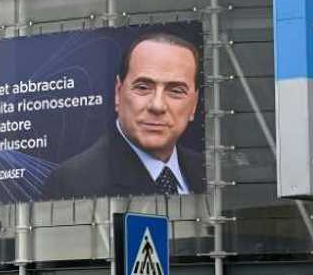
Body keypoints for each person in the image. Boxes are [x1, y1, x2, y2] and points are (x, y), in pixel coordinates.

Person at [42, 31, 204, 199]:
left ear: (194, 104)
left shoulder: (210, 171)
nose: (157, 105)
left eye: (176, 91)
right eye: (143, 87)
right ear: (118, 93)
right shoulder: (72, 184)